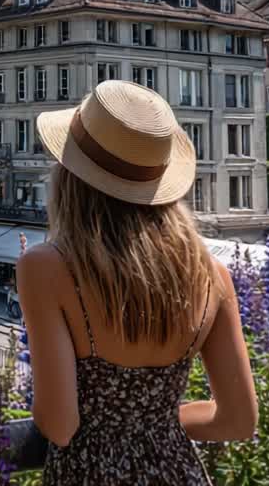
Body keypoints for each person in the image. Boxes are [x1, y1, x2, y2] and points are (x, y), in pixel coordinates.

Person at [18, 81, 256, 484]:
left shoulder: (47, 267)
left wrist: (118, 430)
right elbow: (237, 421)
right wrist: (152, 426)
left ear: (71, 176)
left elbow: (60, 425)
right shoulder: (211, 275)